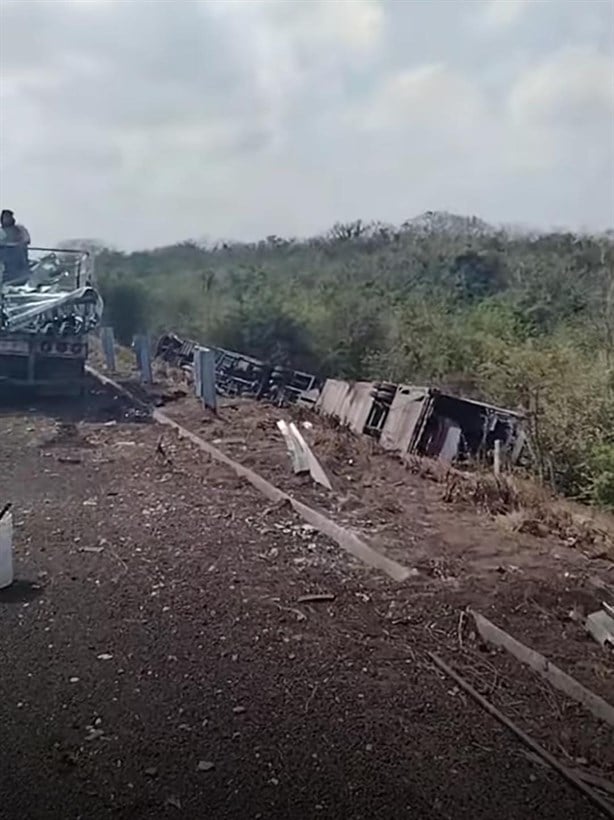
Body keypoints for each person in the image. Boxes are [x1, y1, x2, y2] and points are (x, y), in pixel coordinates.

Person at [0, 209, 31, 285]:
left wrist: (16, 245)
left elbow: (27, 239)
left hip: (20, 260)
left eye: (8, 217)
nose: (7, 219)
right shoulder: (1, 232)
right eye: (5, 218)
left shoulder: (20, 229)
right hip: (6, 263)